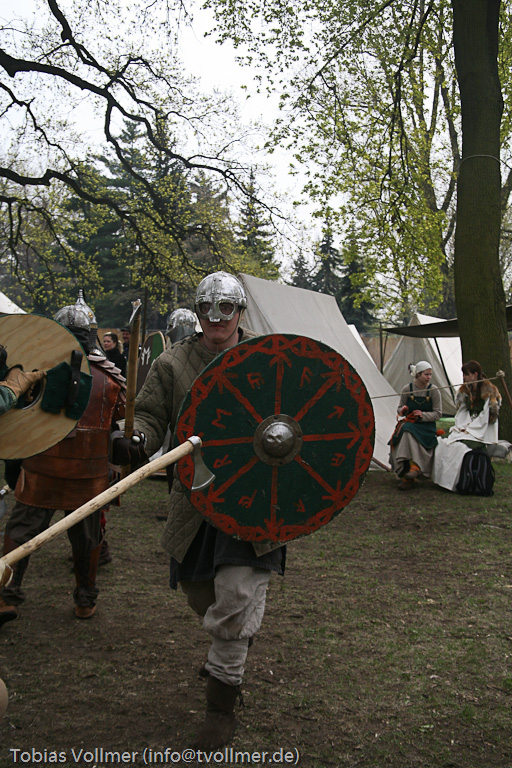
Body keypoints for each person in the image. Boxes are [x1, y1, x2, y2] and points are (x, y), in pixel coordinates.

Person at [111, 271, 285, 750]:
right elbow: (150, 415)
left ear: (239, 312)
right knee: (200, 594)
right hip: (196, 497)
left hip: (253, 498)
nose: (216, 317)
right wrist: (135, 438)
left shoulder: (268, 356)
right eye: (207, 308)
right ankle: (233, 639)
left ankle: (220, 702)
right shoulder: (172, 362)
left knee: (235, 594)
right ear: (198, 311)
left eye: (226, 308)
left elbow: (297, 414)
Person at [0, 297, 126, 627]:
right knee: (86, 539)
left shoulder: (34, 369)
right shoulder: (111, 378)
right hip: (88, 474)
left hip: (41, 469)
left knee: (21, 532)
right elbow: (120, 423)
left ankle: (6, 596)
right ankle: (85, 599)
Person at [432, 360, 501, 491]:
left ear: (475, 374)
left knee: (459, 448)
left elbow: (486, 415)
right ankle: (445, 481)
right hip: (467, 426)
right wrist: (463, 426)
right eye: (463, 375)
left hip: (482, 429)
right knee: (445, 445)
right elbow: (462, 411)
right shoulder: (465, 390)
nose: (464, 377)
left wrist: (471, 428)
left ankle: (458, 482)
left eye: (467, 375)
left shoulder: (489, 391)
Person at [389, 360, 442, 490]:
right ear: (418, 374)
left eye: (430, 374)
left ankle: (414, 467)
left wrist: (423, 415)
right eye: (426, 374)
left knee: (407, 431)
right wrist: (403, 410)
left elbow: (438, 413)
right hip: (410, 423)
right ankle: (408, 470)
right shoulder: (407, 389)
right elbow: (399, 408)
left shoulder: (434, 390)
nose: (429, 377)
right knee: (404, 432)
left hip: (426, 427)